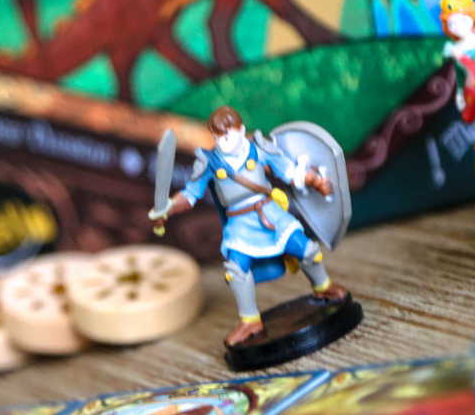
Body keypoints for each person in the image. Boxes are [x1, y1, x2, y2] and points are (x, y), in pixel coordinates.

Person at [149, 106, 348, 346]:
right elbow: (191, 194)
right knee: (235, 268)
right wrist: (168, 207)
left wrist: (314, 180)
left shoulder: (258, 149)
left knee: (306, 248)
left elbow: (289, 172)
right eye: (218, 137)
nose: (223, 142)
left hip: (270, 214)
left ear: (241, 130)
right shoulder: (209, 162)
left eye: (228, 135)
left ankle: (323, 286)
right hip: (240, 224)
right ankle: (250, 321)